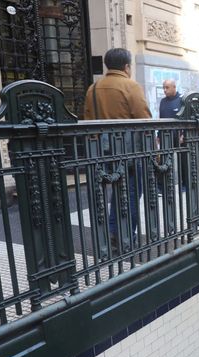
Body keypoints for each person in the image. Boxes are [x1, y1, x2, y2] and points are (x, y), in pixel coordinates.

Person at [84, 48, 151, 253]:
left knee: (115, 192)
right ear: (126, 66)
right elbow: (144, 120)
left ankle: (113, 233)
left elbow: (88, 121)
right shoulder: (131, 86)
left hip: (103, 151)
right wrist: (154, 152)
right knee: (131, 193)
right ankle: (126, 237)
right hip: (129, 152)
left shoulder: (93, 88)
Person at [157, 79, 188, 191]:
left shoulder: (182, 100)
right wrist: (158, 135)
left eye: (167, 87)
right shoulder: (163, 102)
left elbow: (186, 118)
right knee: (164, 160)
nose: (165, 90)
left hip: (179, 135)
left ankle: (185, 184)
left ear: (174, 87)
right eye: (164, 88)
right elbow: (161, 119)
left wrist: (184, 134)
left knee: (183, 161)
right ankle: (162, 186)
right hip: (165, 135)